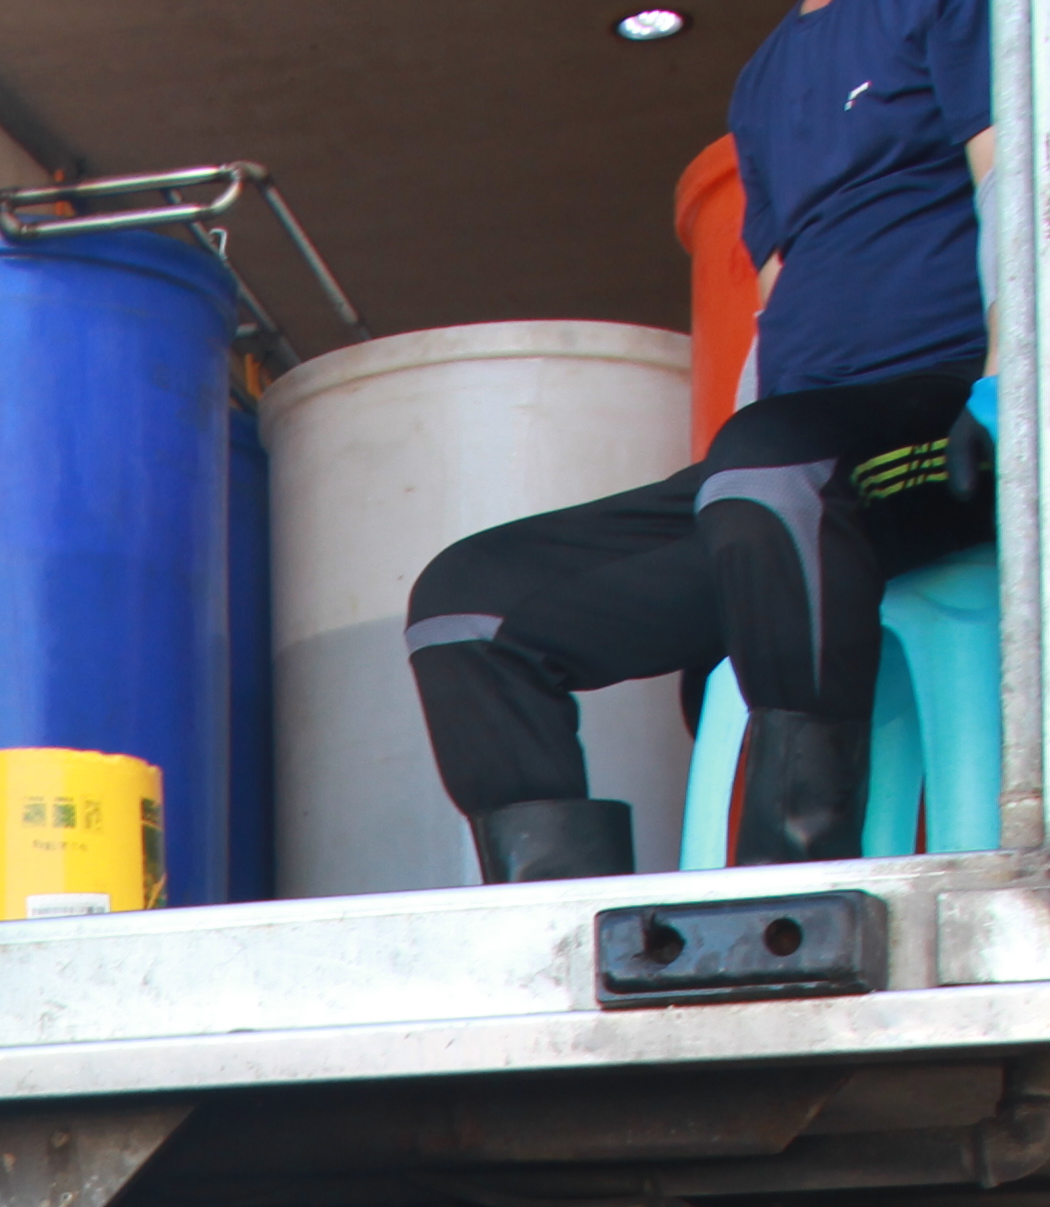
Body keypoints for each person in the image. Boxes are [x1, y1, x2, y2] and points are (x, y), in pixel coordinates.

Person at [405, 0, 1002, 879]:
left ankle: (793, 892)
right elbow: (777, 303)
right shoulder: (763, 78)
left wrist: (1000, 389)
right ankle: (558, 923)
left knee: (772, 473)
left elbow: (1018, 182)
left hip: (938, 419)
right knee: (466, 605)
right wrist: (730, 517)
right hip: (785, 465)